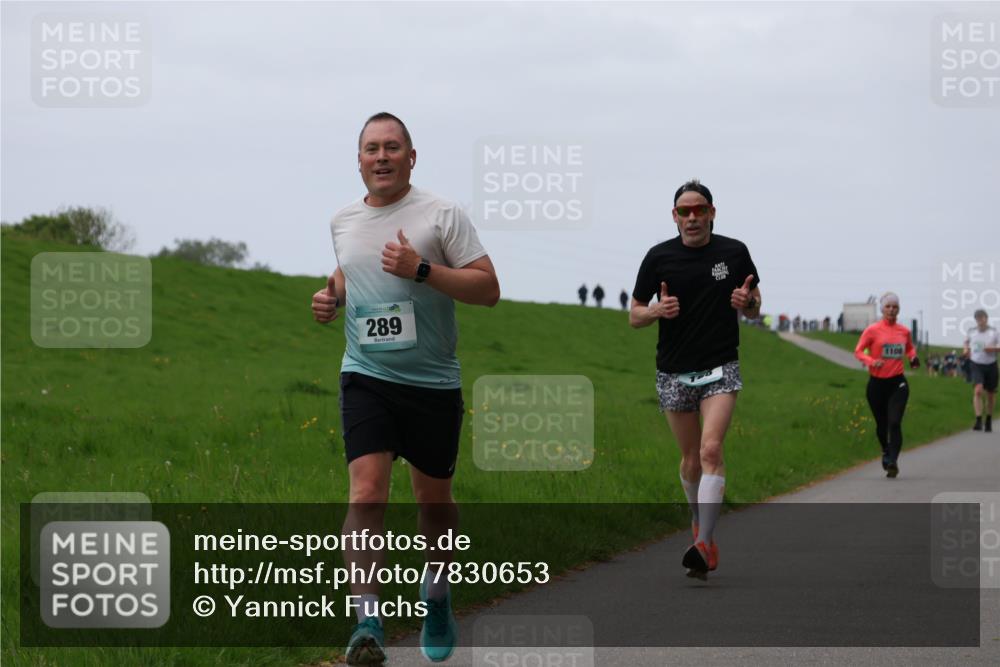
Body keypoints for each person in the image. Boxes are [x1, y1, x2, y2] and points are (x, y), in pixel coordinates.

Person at [311, 112, 500, 664]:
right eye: (372, 148)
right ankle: (366, 622)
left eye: (393, 147)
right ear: (360, 159)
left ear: (411, 157)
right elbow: (350, 269)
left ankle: (436, 596)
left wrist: (422, 270)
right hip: (366, 374)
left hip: (433, 382)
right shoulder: (342, 220)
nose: (382, 156)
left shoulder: (441, 215)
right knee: (366, 492)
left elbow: (488, 288)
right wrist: (332, 297)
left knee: (433, 501)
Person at [629, 179, 761, 580]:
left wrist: (748, 304)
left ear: (712, 213)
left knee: (711, 450)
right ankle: (697, 522)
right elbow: (634, 314)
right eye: (684, 211)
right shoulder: (658, 257)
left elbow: (755, 306)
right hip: (673, 370)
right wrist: (657, 311)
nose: (692, 218)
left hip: (721, 367)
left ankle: (704, 543)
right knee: (689, 461)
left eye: (699, 210)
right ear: (675, 217)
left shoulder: (734, 253)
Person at [853, 292, 919, 478]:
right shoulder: (872, 330)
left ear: (899, 309)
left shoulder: (904, 331)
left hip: (897, 382)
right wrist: (871, 361)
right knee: (882, 425)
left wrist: (913, 357)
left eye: (895, 307)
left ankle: (892, 461)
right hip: (876, 385)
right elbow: (858, 351)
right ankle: (885, 450)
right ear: (882, 309)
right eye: (888, 306)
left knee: (895, 422)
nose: (891, 310)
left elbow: (910, 348)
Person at [964, 309, 999, 432]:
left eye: (982, 317)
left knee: (990, 394)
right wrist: (966, 349)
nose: (980, 320)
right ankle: (978, 420)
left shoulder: (994, 332)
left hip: (991, 364)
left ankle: (988, 419)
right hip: (976, 364)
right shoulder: (971, 331)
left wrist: (993, 349)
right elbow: (966, 342)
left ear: (986, 318)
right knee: (978, 391)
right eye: (977, 318)